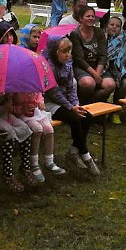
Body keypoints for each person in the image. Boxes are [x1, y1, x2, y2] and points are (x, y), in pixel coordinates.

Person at [42, 35, 101, 175]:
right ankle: (86, 155)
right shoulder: (48, 66)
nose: (68, 54)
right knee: (74, 118)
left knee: (87, 116)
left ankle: (74, 152)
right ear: (55, 52)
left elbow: (70, 88)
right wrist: (70, 107)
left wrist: (75, 104)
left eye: (69, 51)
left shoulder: (68, 65)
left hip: (66, 102)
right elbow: (53, 92)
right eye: (64, 52)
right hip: (50, 104)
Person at [68, 6, 117, 103]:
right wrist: (95, 75)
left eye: (93, 16)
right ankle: (83, 103)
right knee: (88, 83)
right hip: (82, 67)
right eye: (88, 16)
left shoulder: (99, 32)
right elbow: (79, 59)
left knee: (110, 85)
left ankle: (91, 102)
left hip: (98, 66)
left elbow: (103, 55)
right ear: (81, 18)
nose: (91, 18)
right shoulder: (75, 34)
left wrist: (98, 74)